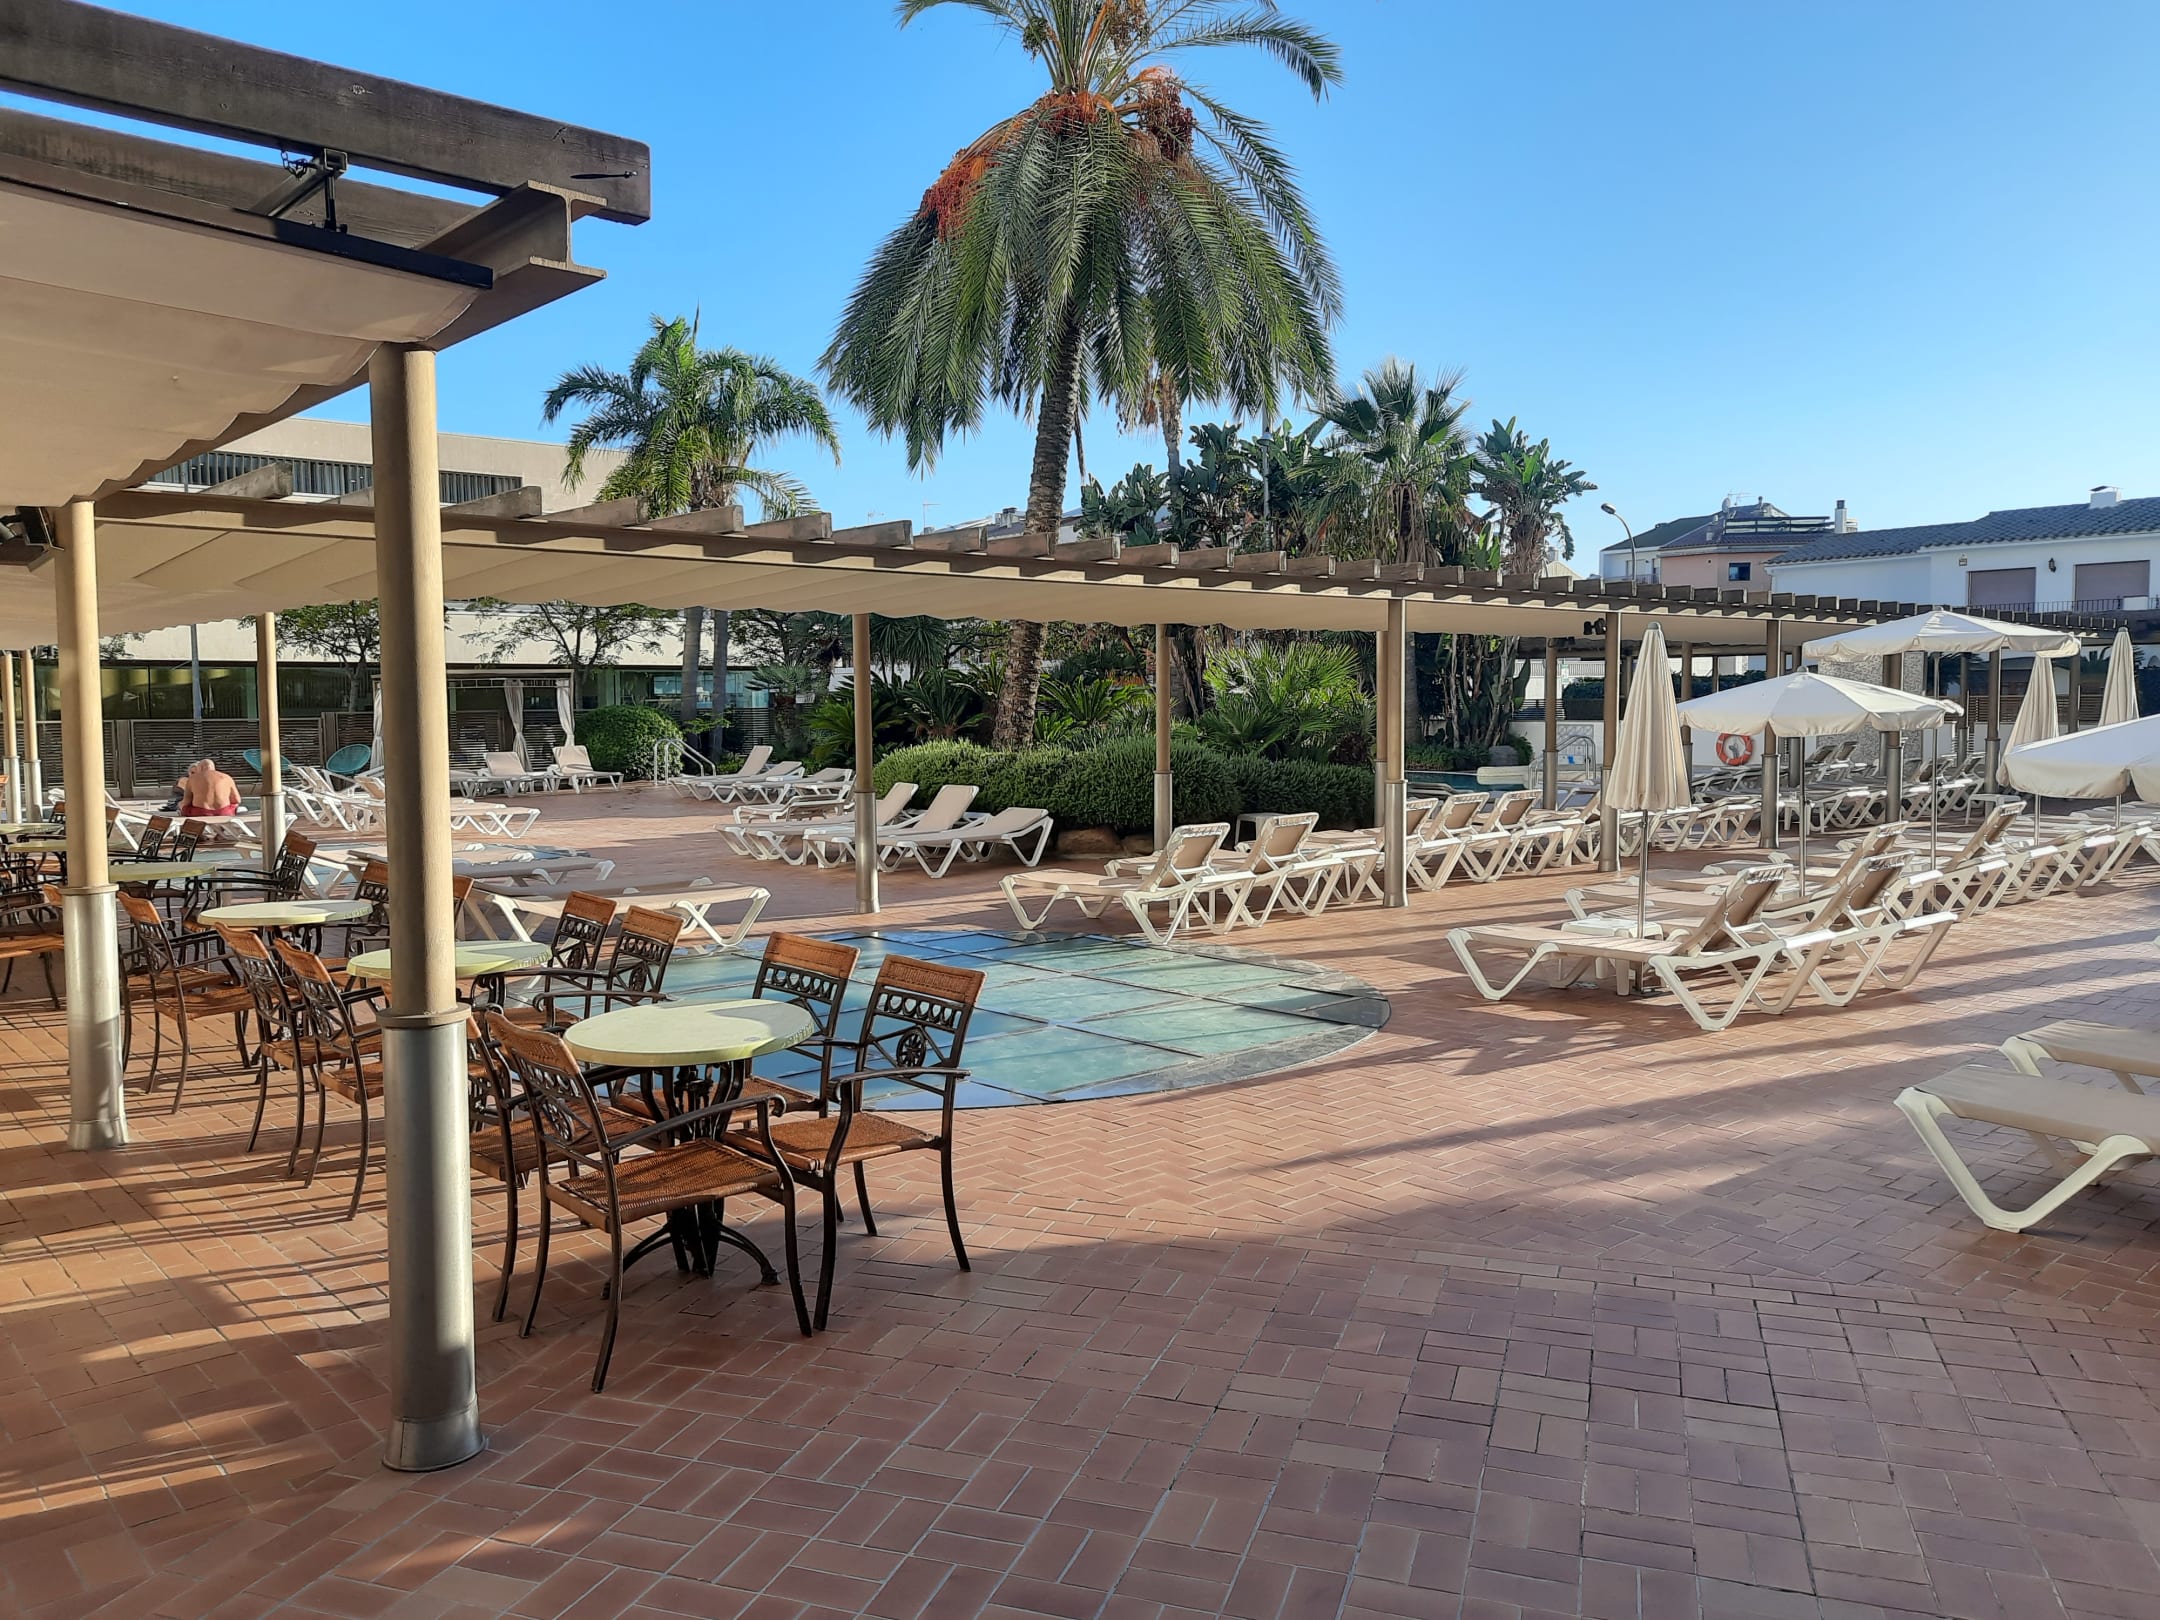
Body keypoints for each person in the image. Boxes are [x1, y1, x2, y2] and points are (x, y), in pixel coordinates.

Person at [174, 758, 241, 819]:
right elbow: (237, 800)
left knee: (181, 805)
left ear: (200, 768)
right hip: (224, 812)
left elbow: (186, 802)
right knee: (235, 806)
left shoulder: (192, 778)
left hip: (200, 813)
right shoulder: (227, 777)